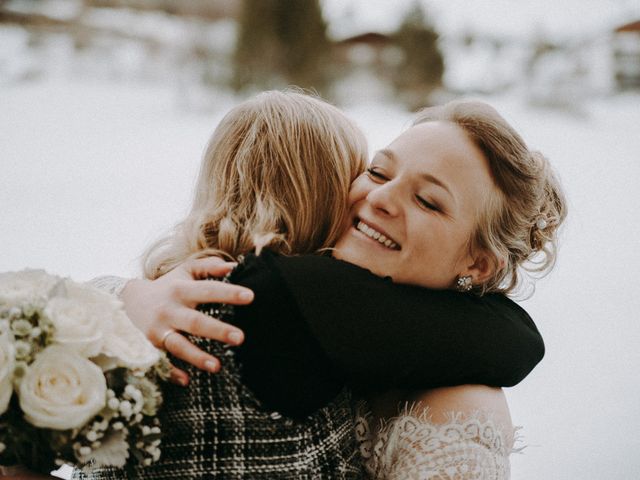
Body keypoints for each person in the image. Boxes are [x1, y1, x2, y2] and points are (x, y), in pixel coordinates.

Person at [82, 92, 563, 479]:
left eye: (429, 202)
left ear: (479, 264)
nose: (380, 198)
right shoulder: (253, 297)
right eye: (376, 171)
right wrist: (117, 303)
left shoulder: (458, 403)